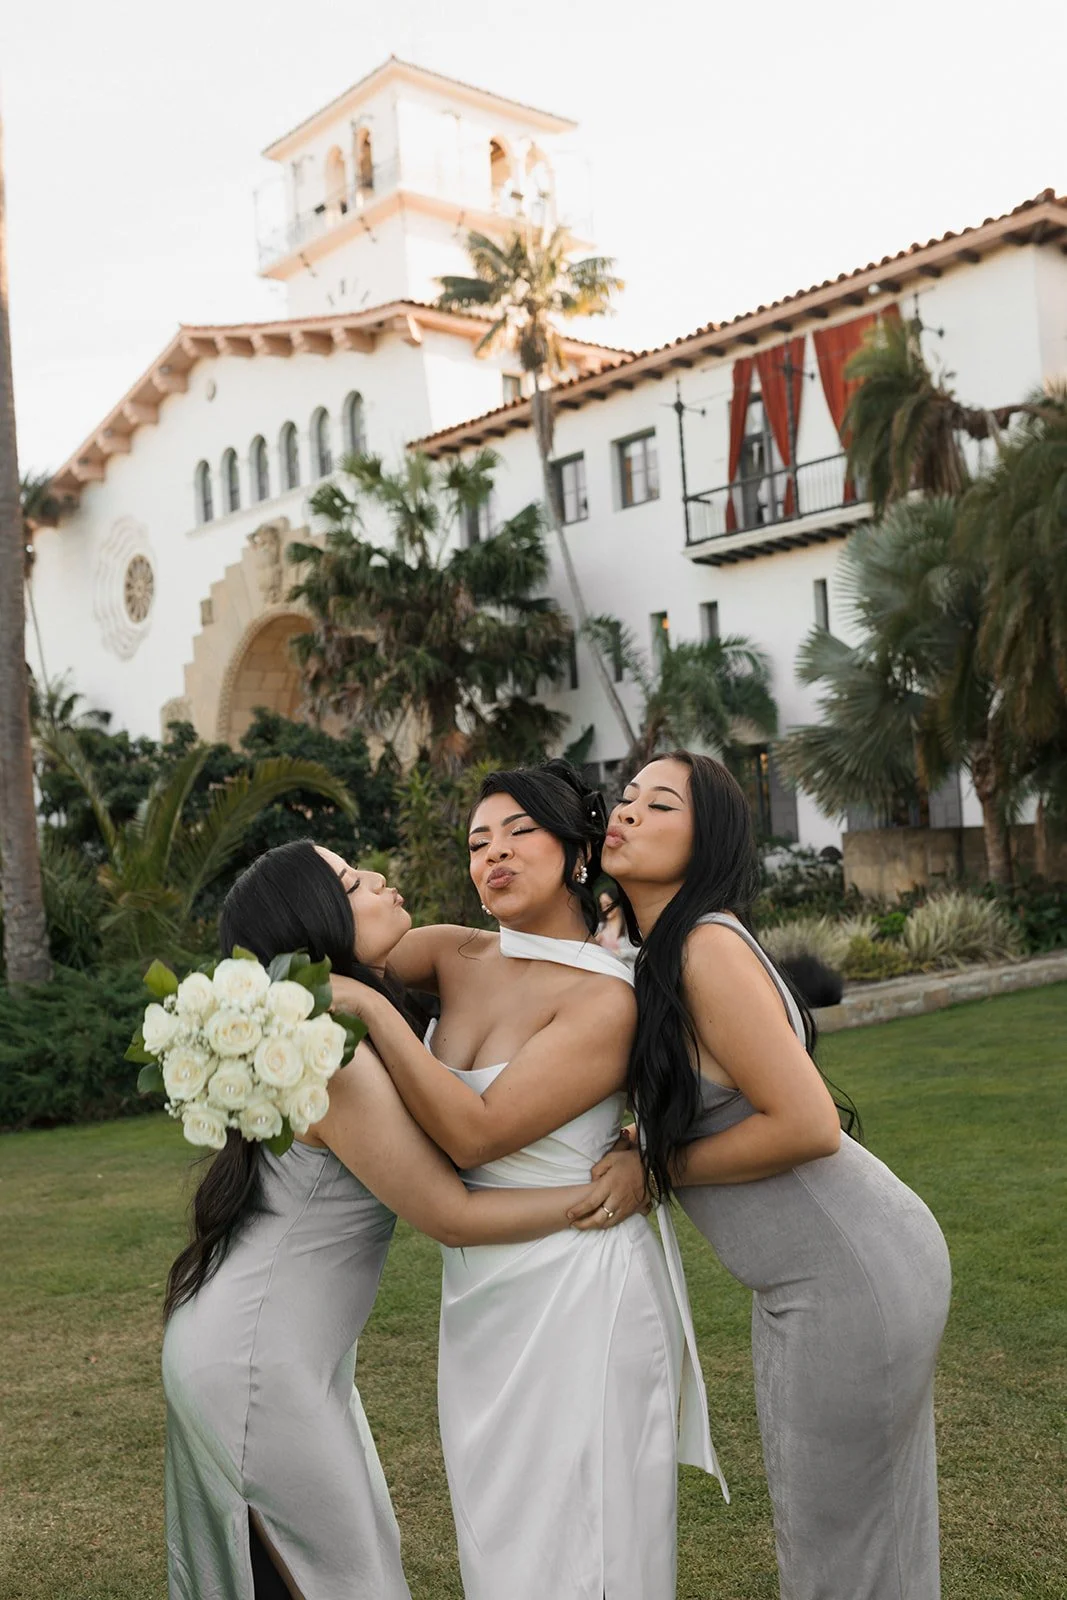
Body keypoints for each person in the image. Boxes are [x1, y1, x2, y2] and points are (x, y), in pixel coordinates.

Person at [162, 839, 616, 1600]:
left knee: (323, 1565)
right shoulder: (331, 1059)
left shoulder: (340, 1020)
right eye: (351, 881)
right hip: (255, 1359)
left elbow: (500, 972)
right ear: (318, 924)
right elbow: (452, 1213)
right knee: (343, 1577)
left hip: (273, 1349)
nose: (379, 878)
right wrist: (604, 1194)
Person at [330, 761, 725, 1600]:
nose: (494, 856)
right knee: (500, 1538)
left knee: (589, 1544)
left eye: (518, 834)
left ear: (578, 851)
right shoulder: (448, 950)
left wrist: (371, 1014)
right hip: (479, 1298)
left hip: (581, 1292)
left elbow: (473, 1132)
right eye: (477, 843)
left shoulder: (604, 998)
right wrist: (328, 873)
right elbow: (333, 938)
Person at [600, 751, 952, 1600]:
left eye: (658, 805)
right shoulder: (668, 949)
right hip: (834, 1274)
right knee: (877, 1537)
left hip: (847, 1278)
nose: (626, 811)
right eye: (625, 797)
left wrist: (653, 1165)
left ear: (706, 838)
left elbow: (807, 1125)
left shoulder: (703, 947)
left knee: (834, 1546)